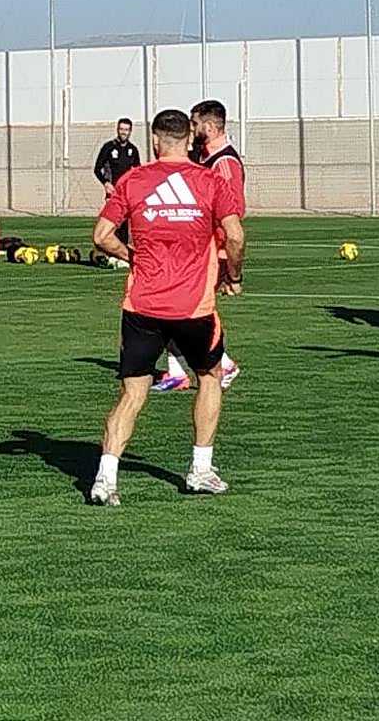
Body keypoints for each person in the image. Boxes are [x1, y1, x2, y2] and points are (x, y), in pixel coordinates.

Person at [88, 108, 245, 506]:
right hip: (193, 307)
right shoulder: (209, 181)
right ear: (188, 138)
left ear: (155, 140)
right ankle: (200, 470)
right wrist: (234, 276)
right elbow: (236, 235)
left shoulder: (133, 180)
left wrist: (132, 255)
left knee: (133, 392)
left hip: (142, 305)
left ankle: (105, 479)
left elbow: (101, 236)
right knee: (209, 376)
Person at [151, 100, 243, 393]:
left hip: (210, 252)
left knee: (189, 313)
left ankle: (223, 363)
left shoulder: (224, 162)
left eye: (195, 123)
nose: (192, 129)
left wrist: (225, 258)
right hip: (193, 251)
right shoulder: (203, 157)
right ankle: (177, 371)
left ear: (211, 126)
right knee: (171, 310)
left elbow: (232, 213)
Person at [92, 118, 141, 245]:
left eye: (126, 130)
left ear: (130, 131)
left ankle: (122, 253)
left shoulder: (133, 150)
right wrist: (106, 183)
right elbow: (97, 168)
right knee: (111, 222)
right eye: (121, 129)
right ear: (117, 130)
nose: (123, 132)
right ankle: (109, 251)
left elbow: (137, 171)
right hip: (113, 192)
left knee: (125, 224)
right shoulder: (109, 147)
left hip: (127, 193)